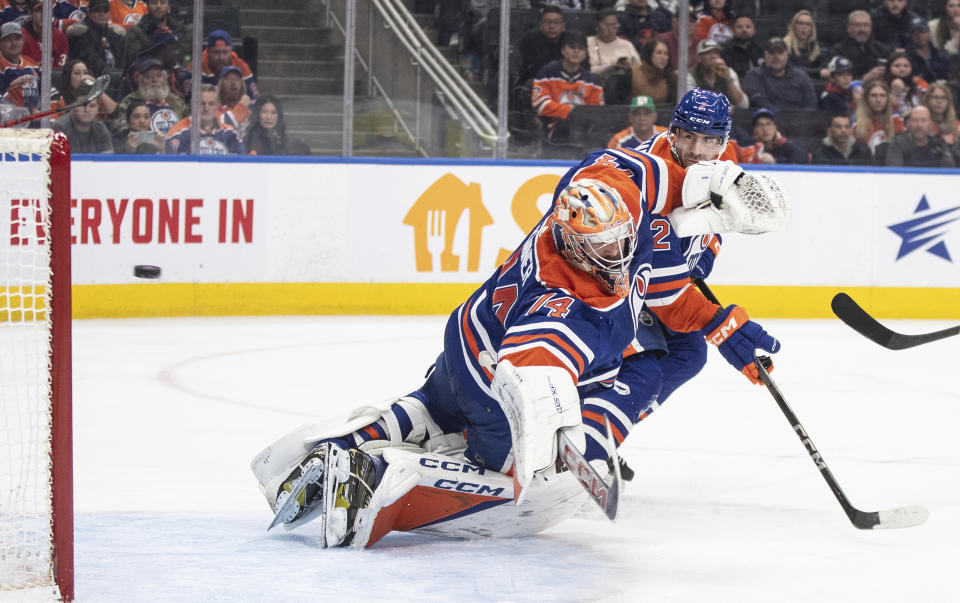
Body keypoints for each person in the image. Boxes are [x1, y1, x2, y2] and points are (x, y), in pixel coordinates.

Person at [251, 99, 785, 549]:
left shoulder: (607, 232)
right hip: (495, 385)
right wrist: (565, 437)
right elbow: (532, 361)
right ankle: (385, 482)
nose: (619, 252)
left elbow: (659, 277)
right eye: (688, 138)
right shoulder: (576, 281)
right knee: (508, 471)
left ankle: (358, 438)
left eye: (708, 141)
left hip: (465, 343)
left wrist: (719, 322)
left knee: (431, 405)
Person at [531, 30, 603, 143]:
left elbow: (597, 112)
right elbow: (540, 103)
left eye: (580, 48)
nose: (576, 51)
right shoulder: (547, 72)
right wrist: (572, 113)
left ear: (585, 54)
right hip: (553, 131)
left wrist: (576, 116)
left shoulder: (592, 81)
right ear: (563, 50)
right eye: (572, 47)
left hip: (584, 133)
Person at [114, 56, 186, 138]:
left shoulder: (176, 101)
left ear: (165, 79)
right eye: (148, 77)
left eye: (159, 76)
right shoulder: (130, 101)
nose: (154, 80)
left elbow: (188, 125)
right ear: (141, 81)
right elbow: (121, 128)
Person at [741, 37, 817, 111]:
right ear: (765, 55)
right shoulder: (753, 76)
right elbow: (759, 102)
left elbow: (811, 104)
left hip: (801, 120)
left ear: (787, 55)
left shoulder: (801, 76)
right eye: (772, 53)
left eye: (780, 53)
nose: (776, 57)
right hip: (767, 119)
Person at [165, 83, 244, 155]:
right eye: (202, 104)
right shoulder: (178, 133)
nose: (206, 108)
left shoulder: (229, 133)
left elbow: (241, 163)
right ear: (194, 104)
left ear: (217, 106)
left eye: (211, 104)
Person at [588, 8, 641, 104]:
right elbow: (586, 70)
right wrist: (611, 66)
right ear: (598, 25)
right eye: (607, 25)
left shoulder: (626, 45)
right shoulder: (587, 43)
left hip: (624, 89)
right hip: (596, 86)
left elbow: (639, 70)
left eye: (614, 25)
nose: (611, 29)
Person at [66, 0, 126, 77]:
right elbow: (92, 61)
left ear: (109, 13)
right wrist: (113, 74)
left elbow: (122, 59)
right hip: (92, 77)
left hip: (114, 76)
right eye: (97, 10)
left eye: (105, 10)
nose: (102, 14)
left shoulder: (114, 34)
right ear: (89, 13)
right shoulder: (81, 33)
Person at [192, 30, 258, 100]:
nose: (221, 57)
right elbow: (189, 99)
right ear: (208, 52)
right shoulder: (196, 66)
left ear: (231, 51)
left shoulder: (241, 66)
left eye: (225, 52)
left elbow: (253, 99)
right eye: (216, 52)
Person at [51, 82, 114, 153]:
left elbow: (107, 160)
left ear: (97, 109)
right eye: (82, 105)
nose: (87, 110)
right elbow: (55, 160)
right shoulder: (59, 128)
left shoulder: (101, 129)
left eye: (92, 106)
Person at [885, 105, 956, 167]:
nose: (919, 125)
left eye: (923, 120)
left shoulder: (938, 144)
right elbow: (895, 174)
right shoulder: (897, 145)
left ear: (930, 124)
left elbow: (949, 171)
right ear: (907, 124)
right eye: (914, 120)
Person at [125, 0, 191, 65]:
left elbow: (186, 58)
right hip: (147, 72)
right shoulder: (135, 32)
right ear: (147, 8)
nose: (158, 6)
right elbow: (136, 58)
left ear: (168, 8)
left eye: (162, 3)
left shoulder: (182, 31)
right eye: (153, 3)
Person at [829, 10, 890, 81]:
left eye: (866, 25)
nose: (862, 29)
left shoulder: (881, 48)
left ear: (870, 28)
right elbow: (837, 79)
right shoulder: (839, 50)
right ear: (848, 28)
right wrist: (864, 79)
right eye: (857, 25)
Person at [852, 79, 904, 159]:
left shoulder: (896, 119)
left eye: (882, 96)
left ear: (887, 99)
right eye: (873, 95)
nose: (878, 100)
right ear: (866, 98)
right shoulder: (856, 123)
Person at [243, 95, 311, 156]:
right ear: (258, 115)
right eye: (264, 112)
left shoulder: (285, 141)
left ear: (278, 116)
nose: (269, 117)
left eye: (273, 113)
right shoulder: (248, 141)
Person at [515, 5, 565, 86]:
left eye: (556, 22)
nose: (552, 26)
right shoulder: (529, 39)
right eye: (547, 22)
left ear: (563, 26)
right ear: (541, 24)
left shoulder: (570, 41)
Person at [689, 38, 746, 108]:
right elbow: (691, 103)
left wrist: (728, 78)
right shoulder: (690, 75)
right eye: (708, 53)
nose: (713, 56)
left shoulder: (729, 72)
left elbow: (743, 105)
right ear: (698, 58)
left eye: (716, 53)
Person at [0, 22, 40, 113]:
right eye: (8, 40)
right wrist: (12, 90)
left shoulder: (32, 64)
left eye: (17, 39)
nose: (13, 43)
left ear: (23, 40)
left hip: (37, 118)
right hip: (10, 121)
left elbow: (50, 93)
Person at [20, 0, 69, 69]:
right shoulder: (21, 36)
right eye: (38, 10)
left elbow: (60, 68)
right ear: (30, 13)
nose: (43, 14)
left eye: (47, 10)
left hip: (53, 76)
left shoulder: (59, 36)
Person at [783, 9, 829, 81]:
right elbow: (791, 69)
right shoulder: (784, 46)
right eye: (800, 23)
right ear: (794, 26)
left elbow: (825, 70)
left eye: (808, 24)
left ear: (811, 29)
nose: (804, 27)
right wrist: (817, 73)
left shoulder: (819, 47)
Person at [629, 38, 675, 104]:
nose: (663, 57)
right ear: (649, 54)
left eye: (666, 54)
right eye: (658, 53)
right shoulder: (631, 74)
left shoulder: (671, 78)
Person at [884, 49, 928, 116]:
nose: (902, 69)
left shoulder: (919, 83)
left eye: (906, 66)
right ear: (889, 67)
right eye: (897, 66)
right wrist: (894, 93)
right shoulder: (881, 84)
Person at [905, 17, 949, 84]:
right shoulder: (906, 57)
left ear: (929, 33)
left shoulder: (941, 55)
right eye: (915, 33)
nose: (919, 36)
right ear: (911, 36)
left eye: (922, 32)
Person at [655, 6, 698, 70]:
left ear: (696, 25)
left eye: (692, 21)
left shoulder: (699, 44)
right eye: (685, 20)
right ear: (674, 22)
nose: (688, 24)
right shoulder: (662, 40)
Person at [721, 14, 762, 80]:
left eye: (748, 27)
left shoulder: (760, 50)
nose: (744, 30)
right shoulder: (725, 51)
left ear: (754, 30)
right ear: (732, 30)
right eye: (739, 27)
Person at [215, 64, 251, 136]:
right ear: (221, 84)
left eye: (237, 79)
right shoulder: (213, 107)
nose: (233, 83)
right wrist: (241, 107)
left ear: (242, 84)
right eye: (228, 79)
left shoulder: (250, 108)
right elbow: (224, 128)